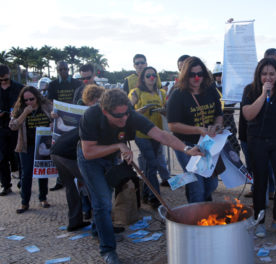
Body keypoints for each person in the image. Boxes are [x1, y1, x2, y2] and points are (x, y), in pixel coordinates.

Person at [77, 88, 202, 263]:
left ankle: (98, 230)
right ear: (105, 111)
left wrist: (187, 149)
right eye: (118, 116)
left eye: (126, 114)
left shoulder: (129, 114)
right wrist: (118, 146)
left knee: (105, 197)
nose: (124, 119)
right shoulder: (91, 115)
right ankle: (108, 250)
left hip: (111, 157)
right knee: (103, 201)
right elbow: (88, 152)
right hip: (91, 159)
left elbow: (161, 134)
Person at [241, 58, 276, 237]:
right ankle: (260, 221)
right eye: (264, 74)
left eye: (272, 74)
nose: (268, 77)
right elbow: (248, 114)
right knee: (260, 183)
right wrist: (263, 95)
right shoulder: (250, 90)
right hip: (257, 142)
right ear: (259, 75)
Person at [167, 56, 223, 203]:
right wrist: (198, 129)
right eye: (192, 75)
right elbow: (172, 125)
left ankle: (202, 205)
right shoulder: (177, 94)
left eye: (200, 74)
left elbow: (219, 114)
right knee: (197, 186)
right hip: (186, 144)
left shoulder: (210, 89)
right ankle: (197, 218)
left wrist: (216, 126)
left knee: (212, 183)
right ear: (185, 75)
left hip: (208, 143)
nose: (197, 78)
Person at [50, 85, 105, 232]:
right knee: (94, 186)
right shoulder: (96, 116)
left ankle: (74, 221)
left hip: (57, 151)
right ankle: (98, 226)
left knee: (71, 188)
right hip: (67, 154)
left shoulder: (89, 114)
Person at [128, 66, 168, 208]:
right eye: (148, 75)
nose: (152, 78)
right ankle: (155, 198)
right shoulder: (136, 92)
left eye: (154, 75)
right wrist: (139, 111)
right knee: (152, 164)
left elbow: (166, 109)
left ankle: (146, 194)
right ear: (142, 78)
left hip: (157, 133)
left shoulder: (161, 93)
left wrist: (164, 111)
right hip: (141, 134)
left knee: (149, 166)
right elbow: (128, 110)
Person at [9, 86, 53, 213]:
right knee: (26, 173)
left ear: (37, 97)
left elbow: (55, 117)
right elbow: (13, 126)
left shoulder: (45, 106)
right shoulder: (20, 108)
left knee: (42, 171)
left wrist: (53, 122)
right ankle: (24, 202)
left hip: (43, 143)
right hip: (26, 145)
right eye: (26, 100)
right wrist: (24, 113)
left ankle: (43, 198)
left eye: (31, 99)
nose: (29, 102)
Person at [47, 61, 82, 191]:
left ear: (69, 69)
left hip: (75, 120)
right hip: (60, 120)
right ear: (57, 70)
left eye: (65, 69)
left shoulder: (76, 83)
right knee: (60, 150)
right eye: (60, 69)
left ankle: (77, 179)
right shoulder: (53, 85)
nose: (63, 71)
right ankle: (61, 180)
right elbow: (51, 102)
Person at [0, 65, 23, 196]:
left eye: (6, 79)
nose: (3, 82)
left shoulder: (19, 88)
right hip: (1, 128)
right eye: (0, 80)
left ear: (10, 75)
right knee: (1, 158)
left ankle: (22, 182)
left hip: (16, 127)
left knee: (18, 156)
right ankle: (5, 185)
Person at [211, 61, 241, 154]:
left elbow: (234, 99)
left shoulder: (230, 87)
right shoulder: (211, 88)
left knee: (232, 141)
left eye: (220, 75)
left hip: (228, 117)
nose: (218, 77)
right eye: (216, 75)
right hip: (215, 119)